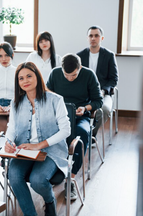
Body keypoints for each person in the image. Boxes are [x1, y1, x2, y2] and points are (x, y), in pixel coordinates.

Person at [5, 62, 71, 216]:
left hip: (50, 152)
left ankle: (49, 201)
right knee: (13, 176)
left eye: (29, 76)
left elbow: (66, 130)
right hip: (24, 150)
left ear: (37, 77)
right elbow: (11, 128)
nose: (25, 81)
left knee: (37, 180)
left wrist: (40, 145)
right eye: (21, 78)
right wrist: (9, 142)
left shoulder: (56, 100)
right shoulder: (15, 103)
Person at [46, 53, 103, 200]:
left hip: (80, 116)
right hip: (57, 117)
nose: (69, 78)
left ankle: (70, 179)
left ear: (80, 68)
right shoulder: (55, 73)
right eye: (66, 75)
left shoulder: (89, 75)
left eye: (73, 75)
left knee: (81, 134)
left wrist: (85, 108)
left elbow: (98, 101)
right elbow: (46, 94)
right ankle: (50, 171)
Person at [77, 25, 119, 139]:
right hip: (84, 93)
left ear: (102, 38)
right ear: (87, 38)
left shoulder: (109, 55)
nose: (93, 38)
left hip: (103, 92)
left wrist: (104, 91)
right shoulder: (79, 56)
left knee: (104, 109)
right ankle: (81, 132)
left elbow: (114, 79)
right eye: (90, 36)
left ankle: (91, 135)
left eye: (96, 36)